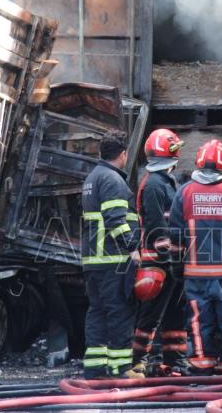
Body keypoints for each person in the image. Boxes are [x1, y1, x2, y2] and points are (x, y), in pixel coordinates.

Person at [169, 139, 222, 375]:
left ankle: (201, 365)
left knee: (198, 320)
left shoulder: (184, 192)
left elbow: (175, 236)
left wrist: (176, 266)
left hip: (195, 275)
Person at [80, 130, 143, 379]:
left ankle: (95, 368)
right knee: (119, 313)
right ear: (124, 154)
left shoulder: (92, 178)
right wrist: (133, 249)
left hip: (93, 262)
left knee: (97, 312)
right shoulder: (113, 180)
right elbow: (116, 220)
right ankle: (120, 368)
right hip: (113, 261)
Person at [131, 129, 191, 376]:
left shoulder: (166, 181)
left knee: (175, 316)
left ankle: (174, 361)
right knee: (151, 316)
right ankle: (138, 362)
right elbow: (157, 227)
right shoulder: (155, 184)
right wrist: (169, 259)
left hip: (172, 262)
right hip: (160, 263)